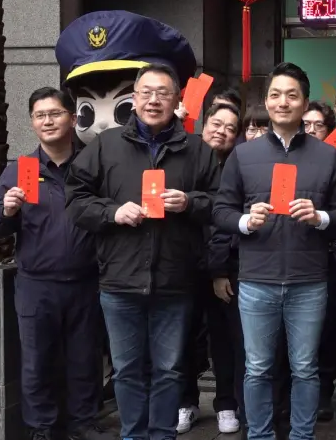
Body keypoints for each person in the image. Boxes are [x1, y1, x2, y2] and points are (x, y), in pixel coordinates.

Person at [65, 63, 220, 440]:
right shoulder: (106, 145)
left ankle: (163, 435)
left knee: (170, 370)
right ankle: (133, 435)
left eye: (163, 93)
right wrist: (113, 212)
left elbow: (221, 204)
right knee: (127, 370)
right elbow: (75, 200)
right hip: (120, 280)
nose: (154, 100)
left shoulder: (197, 149)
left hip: (175, 281)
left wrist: (190, 202)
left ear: (177, 99)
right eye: (146, 92)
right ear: (134, 99)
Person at [212, 62, 336, 440]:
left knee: (305, 369)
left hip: (309, 280)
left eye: (292, 95)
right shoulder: (243, 155)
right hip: (256, 280)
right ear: (266, 101)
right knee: (257, 368)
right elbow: (221, 211)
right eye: (275, 95)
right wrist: (246, 221)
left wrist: (320, 217)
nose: (283, 102)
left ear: (305, 103)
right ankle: (259, 435)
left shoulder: (327, 156)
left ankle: (301, 435)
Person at [0, 88, 107, 440]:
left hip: (86, 281)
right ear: (32, 123)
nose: (47, 121)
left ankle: (83, 423)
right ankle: (41, 429)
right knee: (36, 362)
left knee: (85, 359)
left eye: (55, 113)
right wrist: (6, 211)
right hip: (36, 285)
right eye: (40, 116)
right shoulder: (21, 169)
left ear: (72, 117)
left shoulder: (92, 165)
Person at [178, 103, 244, 435]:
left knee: (225, 340)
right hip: (183, 267)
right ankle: (186, 402)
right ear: (203, 126)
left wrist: (219, 270)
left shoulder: (238, 167)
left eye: (230, 128)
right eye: (216, 124)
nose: (221, 131)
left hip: (223, 267)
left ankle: (226, 403)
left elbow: (228, 223)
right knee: (183, 337)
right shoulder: (183, 160)